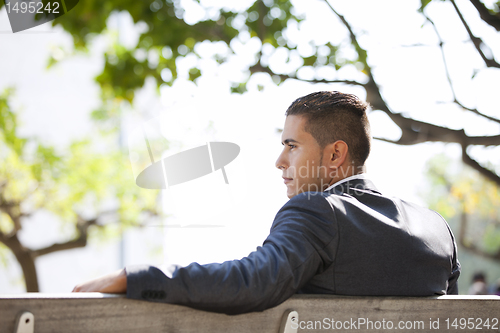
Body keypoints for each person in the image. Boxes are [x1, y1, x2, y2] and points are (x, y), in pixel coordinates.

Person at [73, 91, 461, 314]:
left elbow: (253, 281)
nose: (279, 162)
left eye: (292, 146)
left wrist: (136, 277)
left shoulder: (317, 212)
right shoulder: (436, 228)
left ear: (334, 154)